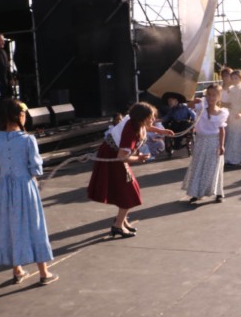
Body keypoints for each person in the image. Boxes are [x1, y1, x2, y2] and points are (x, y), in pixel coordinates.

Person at [0, 99, 56, 285]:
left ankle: (17, 270)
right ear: (20, 116)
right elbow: (35, 168)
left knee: (9, 226)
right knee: (34, 225)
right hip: (25, 187)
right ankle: (44, 272)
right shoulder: (28, 140)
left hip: (3, 190)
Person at [87, 102, 173, 237]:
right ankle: (118, 226)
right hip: (114, 158)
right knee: (129, 193)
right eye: (150, 117)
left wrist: (161, 131)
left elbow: (147, 127)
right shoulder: (131, 131)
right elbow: (122, 156)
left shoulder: (134, 121)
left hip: (115, 155)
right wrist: (140, 158)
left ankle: (121, 220)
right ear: (141, 118)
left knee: (128, 191)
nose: (153, 120)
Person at [183, 84, 228, 203]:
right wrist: (194, 101)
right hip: (201, 141)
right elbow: (188, 106)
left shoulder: (221, 113)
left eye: (214, 95)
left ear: (219, 97)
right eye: (209, 94)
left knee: (214, 168)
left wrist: (221, 145)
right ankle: (196, 192)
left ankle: (218, 192)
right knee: (198, 166)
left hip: (214, 142)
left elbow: (222, 129)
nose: (211, 97)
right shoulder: (201, 106)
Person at [161, 92, 196, 157]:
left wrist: (194, 125)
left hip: (184, 124)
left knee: (183, 125)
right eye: (168, 101)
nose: (169, 103)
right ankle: (172, 146)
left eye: (170, 101)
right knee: (169, 127)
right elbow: (167, 117)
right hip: (175, 125)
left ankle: (177, 144)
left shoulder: (185, 107)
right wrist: (158, 120)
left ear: (176, 100)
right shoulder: (172, 109)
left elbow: (194, 116)